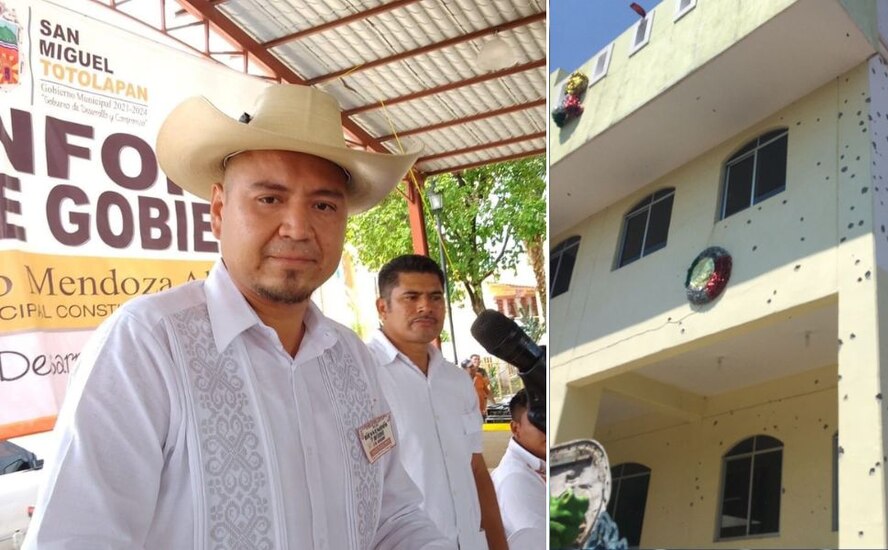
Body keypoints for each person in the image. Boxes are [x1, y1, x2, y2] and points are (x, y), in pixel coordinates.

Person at [24, 84, 453, 549]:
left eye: (323, 205)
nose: (297, 228)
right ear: (218, 210)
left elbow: (392, 518)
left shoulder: (350, 357)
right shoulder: (148, 346)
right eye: (269, 199)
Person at [369, 255, 507, 550]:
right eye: (411, 297)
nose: (426, 307)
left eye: (435, 297)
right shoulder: (362, 375)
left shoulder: (457, 380)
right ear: (383, 307)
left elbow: (476, 468)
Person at [491, 389, 547, 549]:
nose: (546, 428)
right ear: (516, 428)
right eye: (539, 420)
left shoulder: (537, 465)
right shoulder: (515, 479)